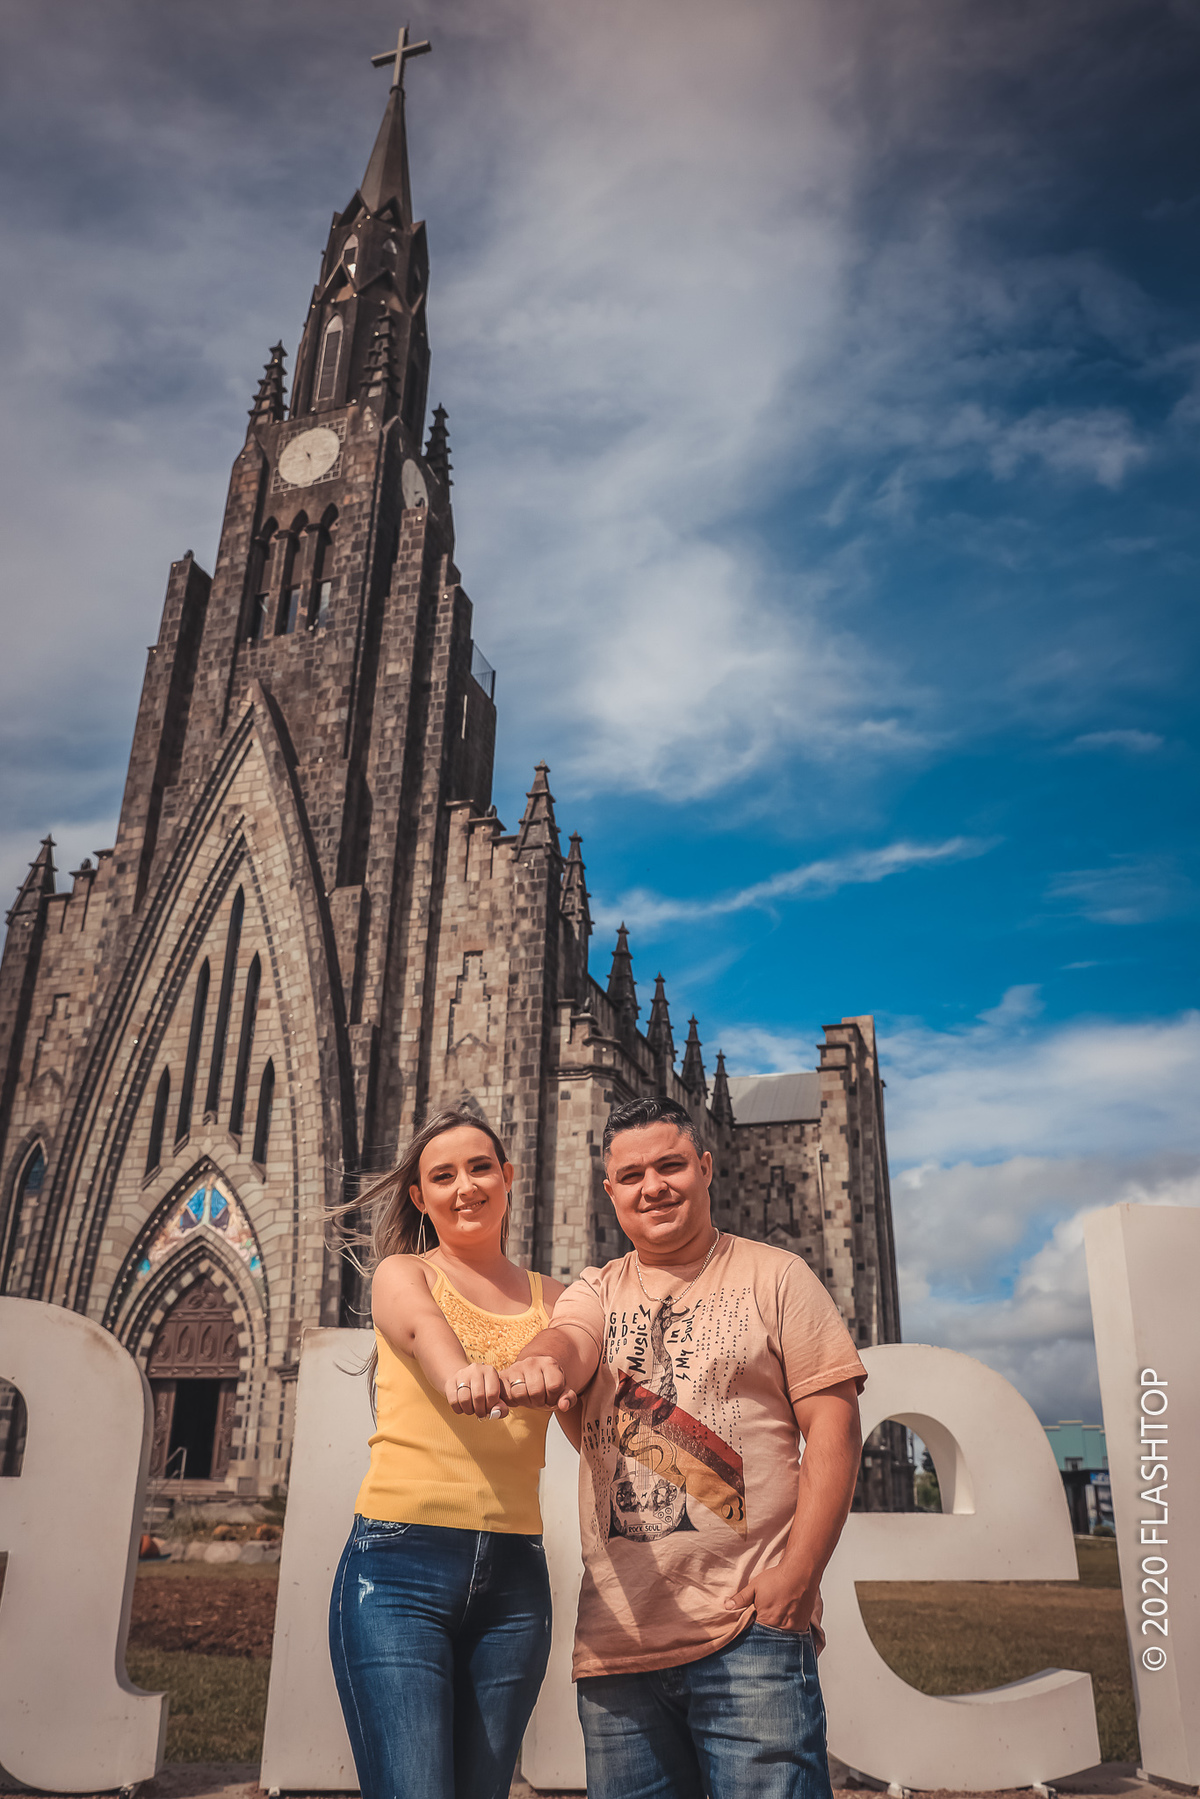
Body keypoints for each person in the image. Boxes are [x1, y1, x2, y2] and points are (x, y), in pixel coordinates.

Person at [501, 1095, 866, 1799]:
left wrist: (798, 1577)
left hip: (750, 1634)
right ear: (610, 1191)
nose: (653, 1185)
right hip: (617, 1647)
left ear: (705, 1168)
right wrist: (542, 1360)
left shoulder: (776, 1276)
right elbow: (569, 1340)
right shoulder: (596, 1289)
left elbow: (835, 1427)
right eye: (632, 1174)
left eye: (671, 1165)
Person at [328, 1109, 568, 1799]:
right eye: (443, 1175)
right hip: (398, 1568)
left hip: (517, 1579)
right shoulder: (404, 1273)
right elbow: (425, 1329)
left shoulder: (556, 1298)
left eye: (480, 1167)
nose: (465, 1186)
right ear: (420, 1196)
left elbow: (584, 1375)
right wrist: (461, 1373)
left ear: (508, 1177)